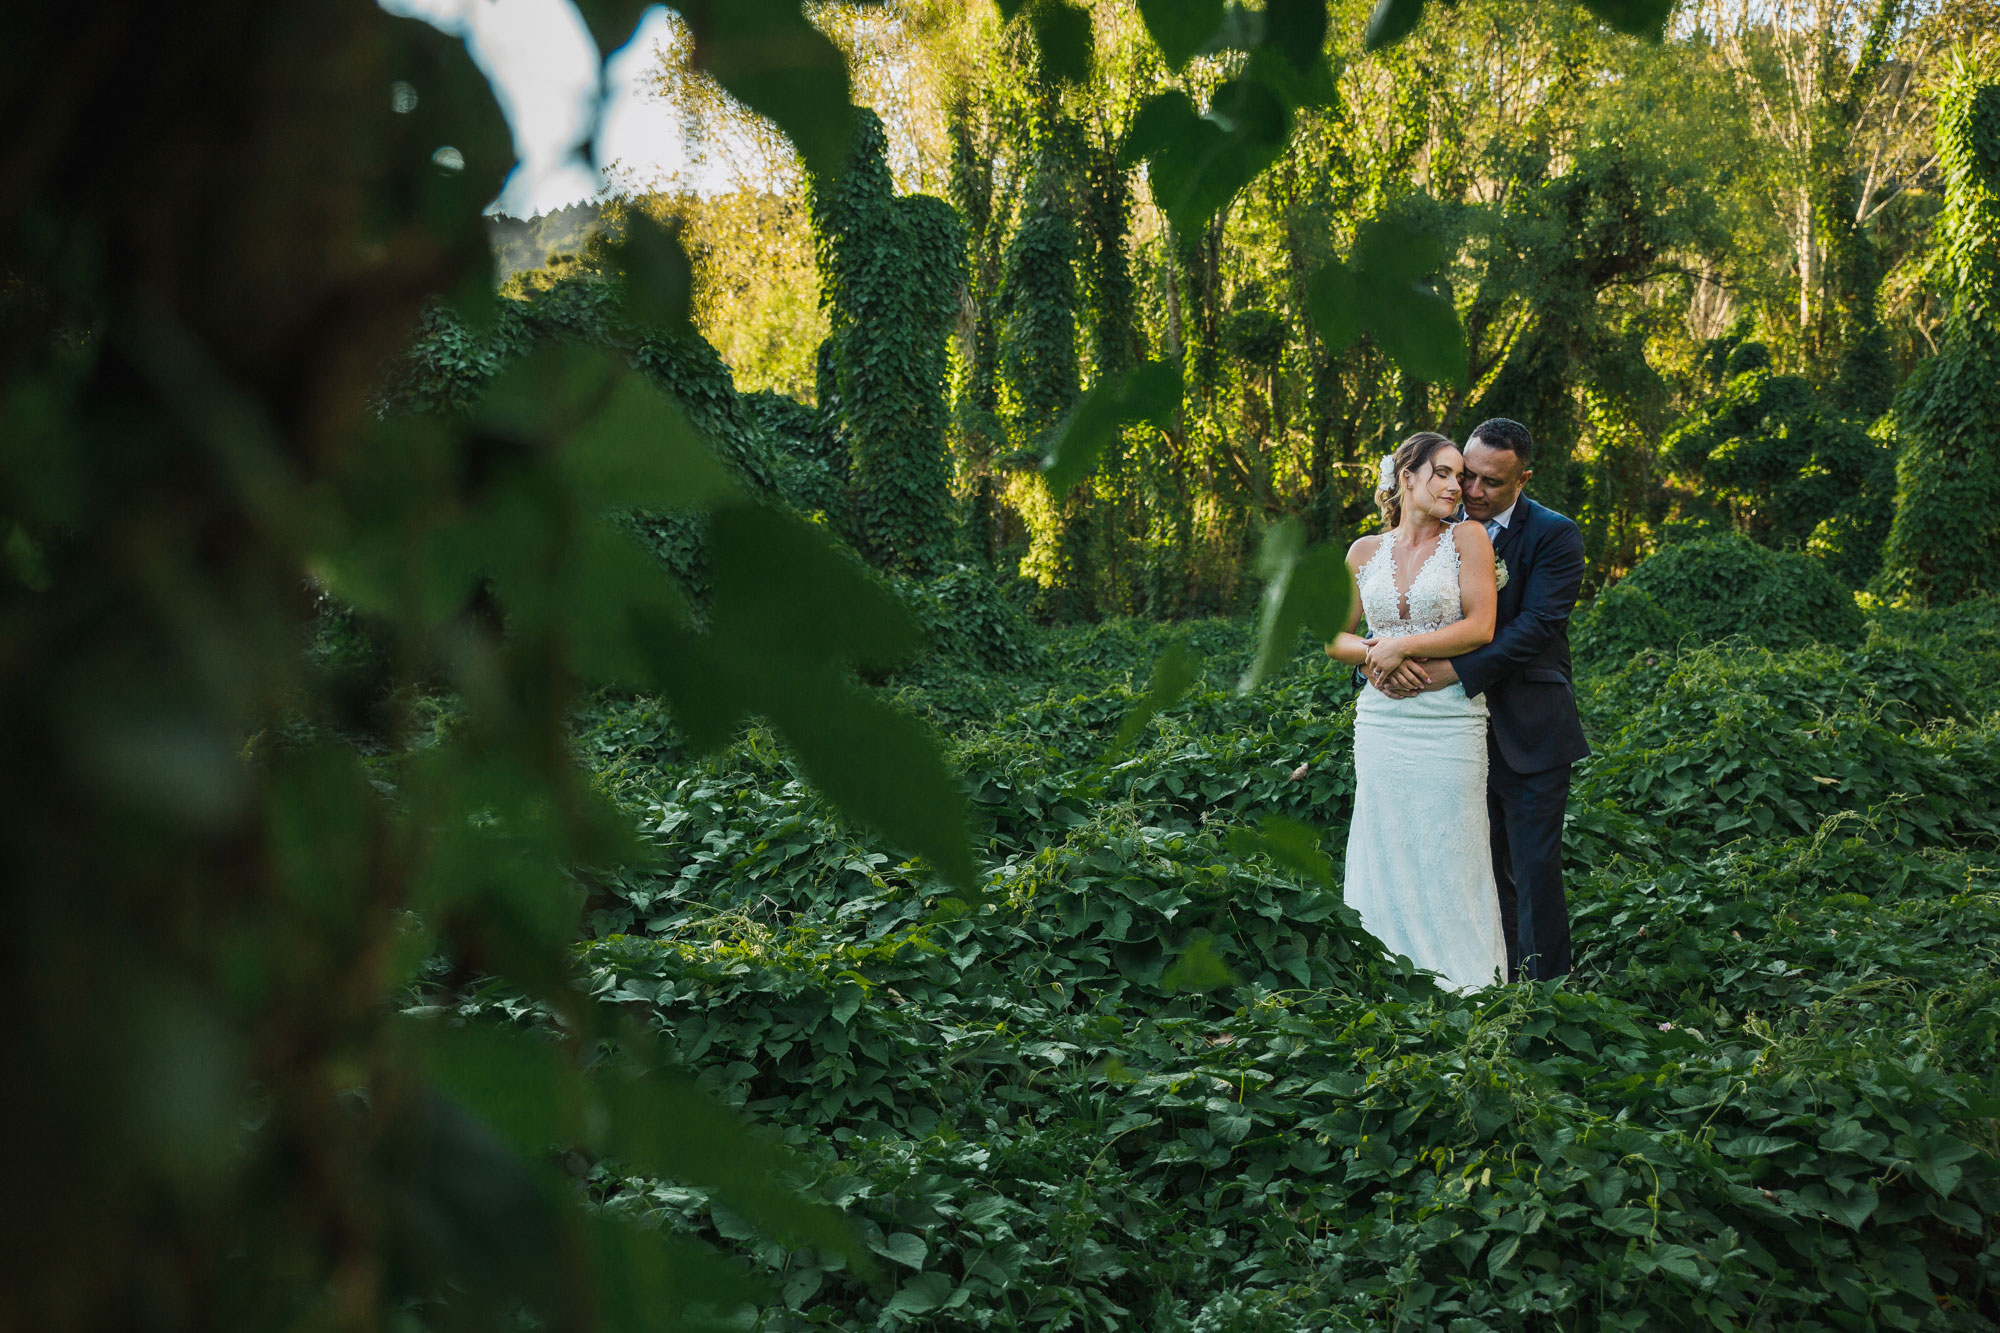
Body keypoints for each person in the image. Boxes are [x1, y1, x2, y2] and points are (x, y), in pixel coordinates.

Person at [1374, 418, 1589, 983]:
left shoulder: (1554, 534)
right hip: (1443, 730)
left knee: (1533, 865)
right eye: (1467, 475)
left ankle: (1544, 991)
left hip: (1528, 724)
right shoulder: (1437, 528)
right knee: (1472, 862)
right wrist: (1382, 668)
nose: (1471, 491)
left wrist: (1452, 671)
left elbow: (1538, 625)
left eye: (1491, 482)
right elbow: (1391, 605)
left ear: (1524, 479)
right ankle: (1487, 973)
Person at [1324, 432, 1508, 993]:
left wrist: (1405, 646)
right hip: (1382, 723)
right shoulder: (1363, 551)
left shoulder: (1469, 539)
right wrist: (1378, 652)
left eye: (1460, 476)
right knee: (1384, 842)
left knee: (1451, 847)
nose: (1459, 487)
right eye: (1445, 474)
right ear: (1406, 478)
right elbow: (1334, 636)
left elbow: (1480, 627)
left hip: (1449, 721)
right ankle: (1383, 974)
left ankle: (1465, 983)